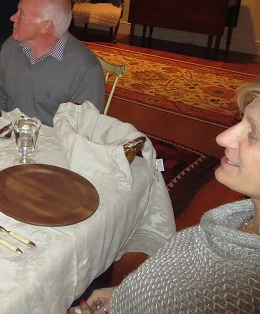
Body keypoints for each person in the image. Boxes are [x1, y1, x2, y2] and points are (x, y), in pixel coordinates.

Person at [69, 80, 260, 314]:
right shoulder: (237, 219)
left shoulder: (241, 293)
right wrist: (123, 293)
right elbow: (175, 283)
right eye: (240, 121)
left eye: (254, 134)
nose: (222, 137)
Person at [0, 0, 105, 126]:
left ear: (46, 26)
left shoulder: (86, 68)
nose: (13, 18)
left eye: (21, 14)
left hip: (56, 139)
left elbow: (84, 127)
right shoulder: (11, 46)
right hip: (11, 133)